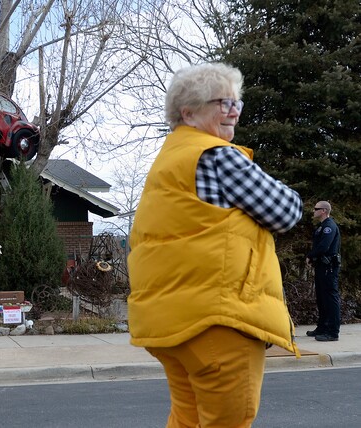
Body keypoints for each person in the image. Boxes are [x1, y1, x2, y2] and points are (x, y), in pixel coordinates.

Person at [127, 62, 303, 427]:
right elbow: (287, 211)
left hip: (171, 326)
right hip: (218, 321)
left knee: (187, 419)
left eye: (237, 102)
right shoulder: (218, 156)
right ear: (188, 113)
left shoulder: (167, 163)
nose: (234, 111)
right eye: (222, 103)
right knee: (228, 421)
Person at [305, 201, 341, 342]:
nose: (313, 211)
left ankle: (332, 332)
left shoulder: (329, 227)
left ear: (324, 211)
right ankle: (322, 327)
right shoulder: (322, 226)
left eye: (316, 209)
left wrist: (310, 255)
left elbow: (324, 246)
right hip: (322, 266)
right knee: (321, 298)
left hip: (329, 267)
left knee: (330, 298)